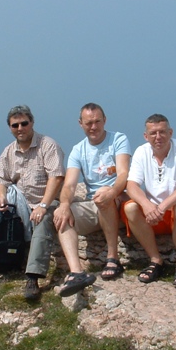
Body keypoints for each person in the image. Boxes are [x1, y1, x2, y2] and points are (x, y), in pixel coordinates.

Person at [0, 105, 65, 301]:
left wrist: (43, 205)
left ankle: (33, 277)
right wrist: (1, 197)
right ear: (10, 128)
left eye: (24, 123)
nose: (20, 128)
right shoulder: (9, 151)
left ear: (32, 123)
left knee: (43, 221)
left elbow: (56, 177)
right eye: (15, 125)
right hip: (20, 201)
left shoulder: (47, 146)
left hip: (45, 200)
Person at [53, 103, 131, 297]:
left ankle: (113, 257)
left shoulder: (118, 139)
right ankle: (76, 272)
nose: (93, 127)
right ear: (81, 124)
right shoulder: (78, 150)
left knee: (103, 194)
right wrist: (63, 205)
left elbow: (123, 174)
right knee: (63, 214)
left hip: (118, 199)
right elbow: (70, 185)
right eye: (89, 123)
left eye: (97, 122)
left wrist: (111, 192)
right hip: (95, 203)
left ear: (105, 120)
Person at [122, 114, 176, 289]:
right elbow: (131, 186)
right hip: (156, 215)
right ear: (146, 136)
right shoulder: (141, 152)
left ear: (170, 132)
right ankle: (155, 260)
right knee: (130, 208)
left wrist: (162, 206)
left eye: (162, 132)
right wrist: (146, 205)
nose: (158, 137)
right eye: (153, 133)